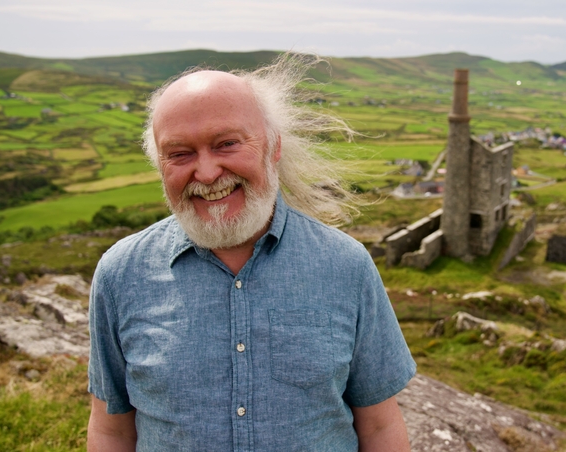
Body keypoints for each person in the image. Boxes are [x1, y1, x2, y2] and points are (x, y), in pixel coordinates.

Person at [86, 54, 416, 451]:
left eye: (226, 144)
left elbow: (380, 427)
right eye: (179, 154)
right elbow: (111, 430)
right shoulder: (121, 274)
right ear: (160, 165)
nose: (206, 174)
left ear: (273, 146)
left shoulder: (346, 266)